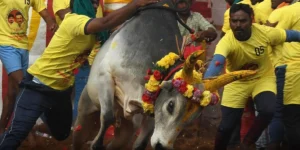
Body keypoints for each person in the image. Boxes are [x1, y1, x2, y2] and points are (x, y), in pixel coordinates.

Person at [0, 0, 157, 148]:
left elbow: (114, 28)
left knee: (62, 134)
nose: (96, 5)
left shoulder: (95, 32)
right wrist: (135, 4)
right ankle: (30, 111)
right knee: (15, 136)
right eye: (91, 2)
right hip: (38, 86)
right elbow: (106, 22)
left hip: (61, 92)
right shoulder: (73, 21)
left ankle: (38, 112)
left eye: (97, 3)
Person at [204, 3, 300, 149]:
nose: (238, 25)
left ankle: (248, 142)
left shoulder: (265, 32)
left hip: (262, 78)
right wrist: (205, 85)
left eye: (243, 21)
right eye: (234, 21)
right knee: (226, 127)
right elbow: (216, 63)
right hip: (236, 82)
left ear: (251, 20)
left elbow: (290, 35)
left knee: (268, 109)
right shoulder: (226, 42)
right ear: (230, 21)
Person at [0, 0, 57, 134]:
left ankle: (2, 128)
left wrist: (51, 23)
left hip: (23, 46)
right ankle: (27, 131)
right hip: (5, 44)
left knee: (13, 91)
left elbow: (44, 12)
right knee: (24, 85)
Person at [266, 1, 300, 149]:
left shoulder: (283, 12)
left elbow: (266, 38)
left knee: (288, 117)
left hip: (289, 71)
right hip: (289, 70)